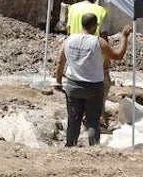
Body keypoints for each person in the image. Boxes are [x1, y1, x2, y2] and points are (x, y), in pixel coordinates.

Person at [55, 15, 132, 147]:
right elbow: (118, 55)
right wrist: (124, 37)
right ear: (95, 26)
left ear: (81, 24)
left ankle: (70, 147)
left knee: (73, 120)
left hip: (73, 85)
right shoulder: (98, 42)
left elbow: (60, 61)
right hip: (93, 87)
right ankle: (94, 149)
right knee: (93, 121)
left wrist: (58, 81)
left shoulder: (69, 40)